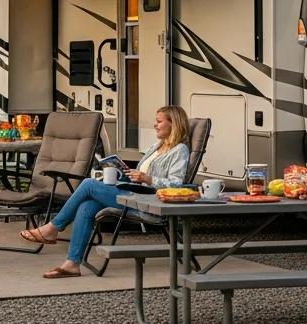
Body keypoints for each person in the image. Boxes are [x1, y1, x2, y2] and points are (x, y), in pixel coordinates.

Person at [20, 105, 191, 279]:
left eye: (159, 121)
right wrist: (120, 172)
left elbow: (177, 186)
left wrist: (148, 179)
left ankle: (53, 227)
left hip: (150, 204)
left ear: (173, 124)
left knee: (88, 184)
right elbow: (138, 178)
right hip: (134, 194)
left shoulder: (179, 150)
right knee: (87, 205)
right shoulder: (157, 146)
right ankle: (72, 264)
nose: (155, 125)